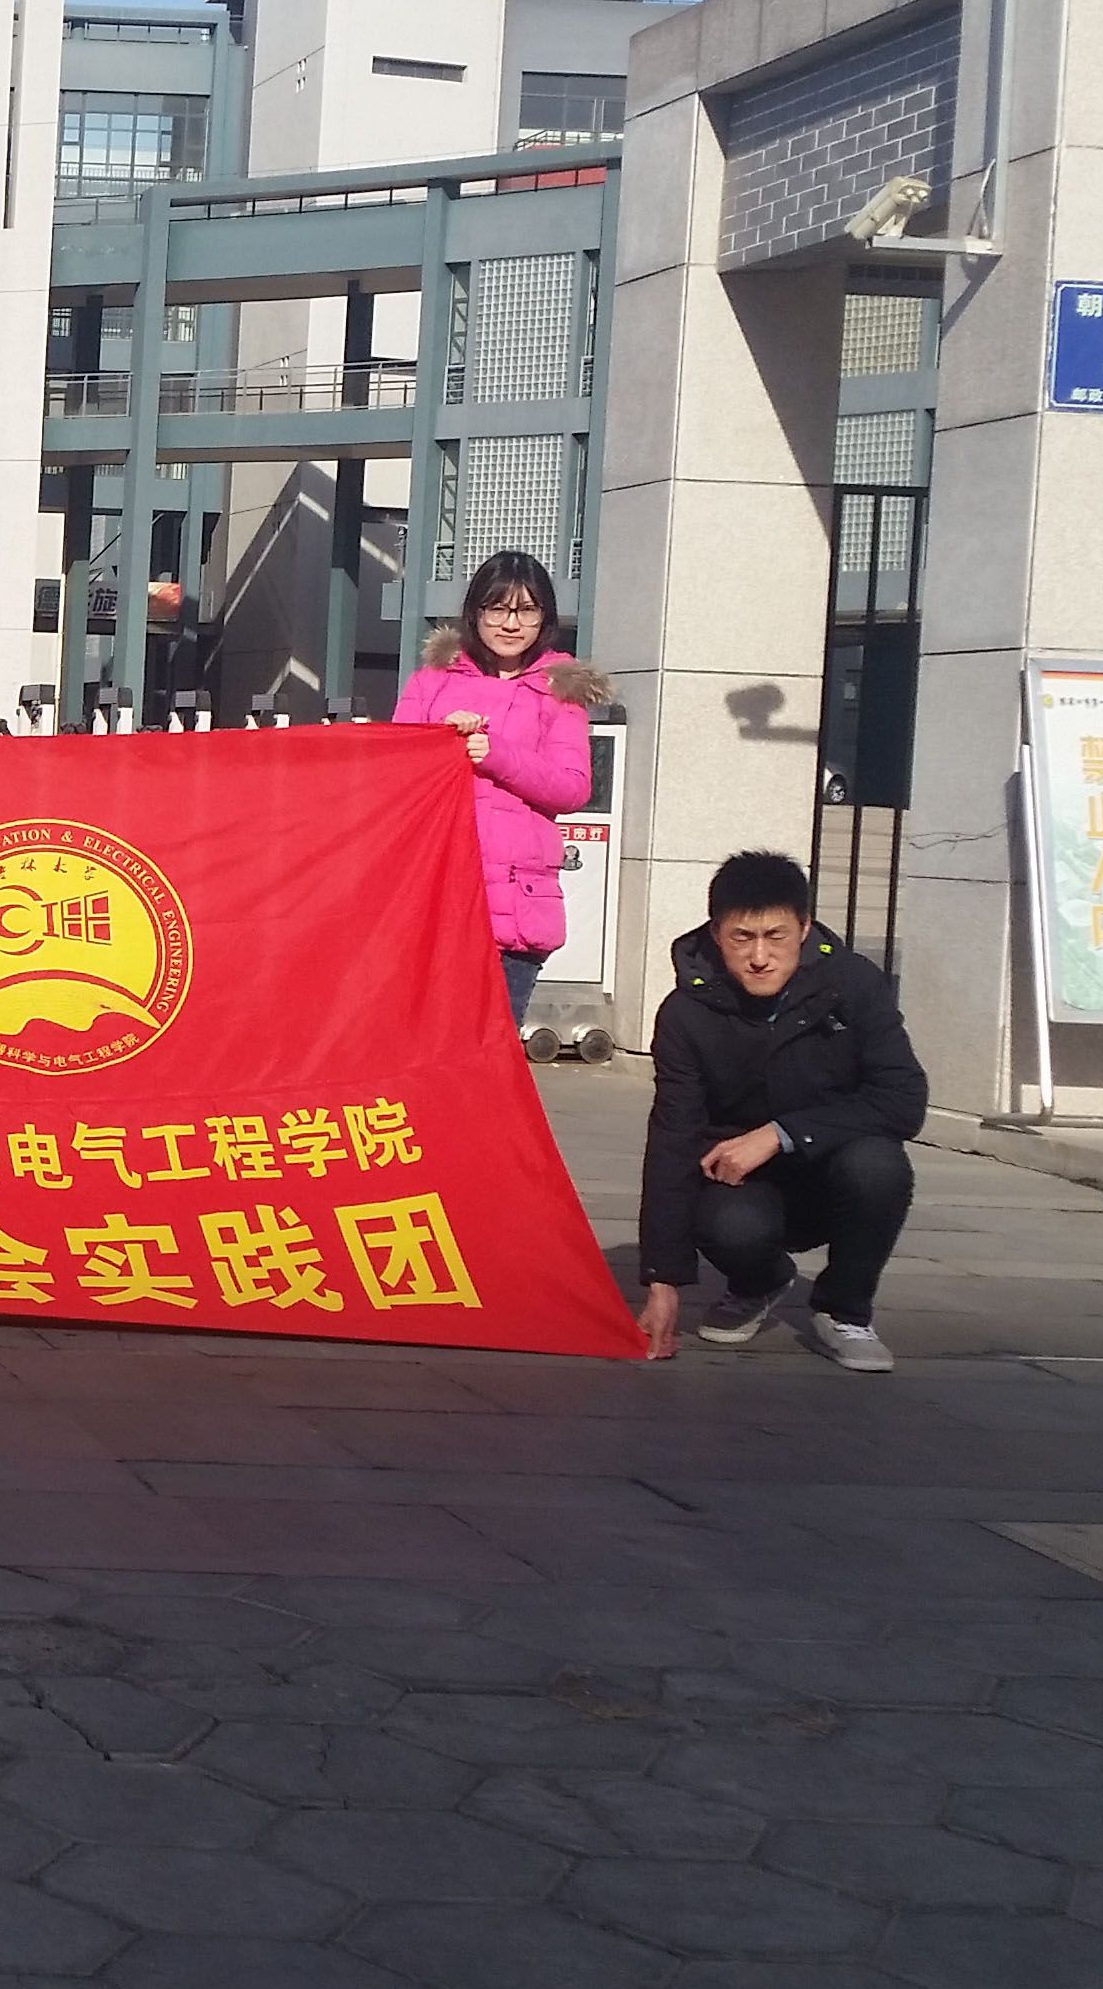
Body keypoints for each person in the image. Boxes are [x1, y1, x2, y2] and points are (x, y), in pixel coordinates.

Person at [636, 848, 926, 1374]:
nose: (759, 957)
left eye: (776, 936)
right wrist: (663, 1280)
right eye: (742, 938)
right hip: (741, 1183)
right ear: (716, 934)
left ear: (804, 929)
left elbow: (903, 1097)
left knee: (880, 1166)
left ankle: (845, 1311)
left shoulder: (852, 984)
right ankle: (759, 1282)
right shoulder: (685, 1013)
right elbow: (673, 1138)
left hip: (834, 1168)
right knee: (728, 1225)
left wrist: (780, 1133)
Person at [391, 549, 615, 1032]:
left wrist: (496, 754)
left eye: (527, 610)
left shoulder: (559, 690)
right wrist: (439, 741)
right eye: (497, 609)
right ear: (474, 612)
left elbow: (571, 788)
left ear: (545, 618)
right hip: (435, 894)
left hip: (515, 904)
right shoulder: (431, 682)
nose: (511, 624)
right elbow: (394, 772)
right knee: (419, 1048)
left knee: (492, 1052)